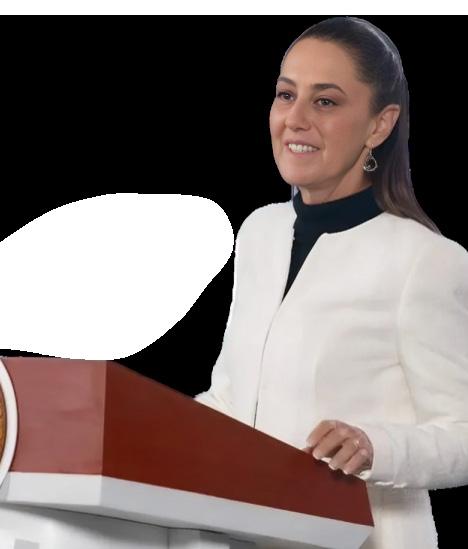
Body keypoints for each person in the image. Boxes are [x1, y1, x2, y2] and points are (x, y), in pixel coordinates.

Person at [194, 16, 468, 549]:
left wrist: (375, 446)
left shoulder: (425, 261)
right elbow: (232, 394)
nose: (295, 119)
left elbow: (464, 432)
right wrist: (149, 422)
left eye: (325, 101)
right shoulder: (260, 232)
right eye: (286, 95)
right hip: (245, 533)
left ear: (380, 124)